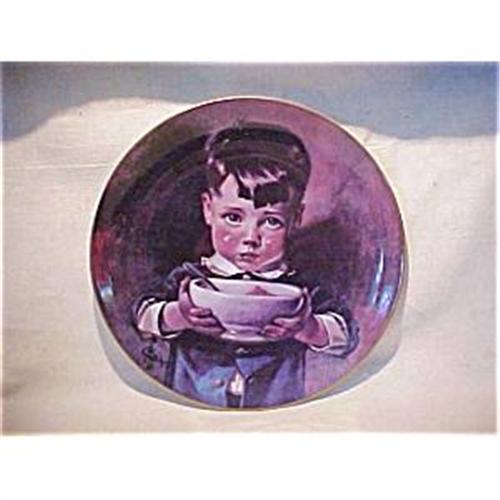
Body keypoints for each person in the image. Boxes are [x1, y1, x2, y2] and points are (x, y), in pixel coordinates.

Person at [134, 123, 359, 408]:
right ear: (208, 209)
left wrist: (309, 328)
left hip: (277, 411)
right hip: (192, 405)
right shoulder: (189, 280)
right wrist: (180, 314)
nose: (251, 238)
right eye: (233, 218)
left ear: (295, 219)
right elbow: (142, 317)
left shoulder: (301, 289)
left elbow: (346, 336)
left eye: (271, 221)